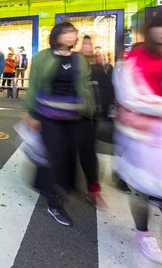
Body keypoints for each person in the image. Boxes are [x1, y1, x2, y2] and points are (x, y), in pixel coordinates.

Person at [113, 8, 162, 265]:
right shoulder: (136, 59)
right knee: (141, 190)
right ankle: (142, 230)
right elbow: (132, 98)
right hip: (143, 140)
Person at [24, 22, 94, 227]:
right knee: (51, 157)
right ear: (56, 35)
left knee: (69, 156)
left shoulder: (80, 61)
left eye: (73, 33)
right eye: (67, 32)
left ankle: (63, 189)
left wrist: (89, 112)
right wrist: (32, 113)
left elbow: (85, 89)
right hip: (48, 117)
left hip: (74, 118)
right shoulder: (43, 57)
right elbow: (34, 85)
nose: (72, 36)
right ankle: (53, 202)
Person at [77, 35, 109, 210]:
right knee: (67, 150)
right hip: (72, 114)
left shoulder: (98, 67)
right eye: (84, 44)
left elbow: (106, 90)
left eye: (89, 44)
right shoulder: (74, 64)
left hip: (90, 117)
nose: (87, 46)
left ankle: (93, 189)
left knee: (88, 152)